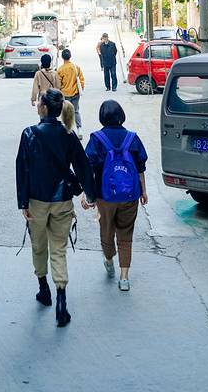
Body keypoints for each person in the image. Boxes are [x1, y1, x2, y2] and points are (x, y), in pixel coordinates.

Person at [16, 88, 96, 327]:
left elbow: (22, 170)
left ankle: (44, 290)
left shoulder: (29, 134)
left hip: (37, 202)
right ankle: (62, 301)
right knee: (58, 249)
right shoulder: (68, 134)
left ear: (42, 107)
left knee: (39, 246)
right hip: (62, 201)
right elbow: (83, 167)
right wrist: (91, 196)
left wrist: (23, 203)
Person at [84, 100, 148, 292]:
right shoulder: (132, 138)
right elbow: (140, 168)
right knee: (126, 235)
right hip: (130, 195)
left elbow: (88, 168)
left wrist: (88, 195)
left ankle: (109, 259)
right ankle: (124, 277)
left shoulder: (97, 139)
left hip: (105, 197)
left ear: (102, 116)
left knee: (106, 231)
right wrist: (143, 191)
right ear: (121, 115)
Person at [57, 48, 85, 139]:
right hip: (75, 93)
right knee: (76, 110)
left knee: (65, 111)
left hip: (65, 94)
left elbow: (58, 83)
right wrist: (81, 88)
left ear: (62, 57)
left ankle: (67, 129)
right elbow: (81, 80)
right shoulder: (76, 67)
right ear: (70, 56)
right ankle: (79, 129)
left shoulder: (60, 69)